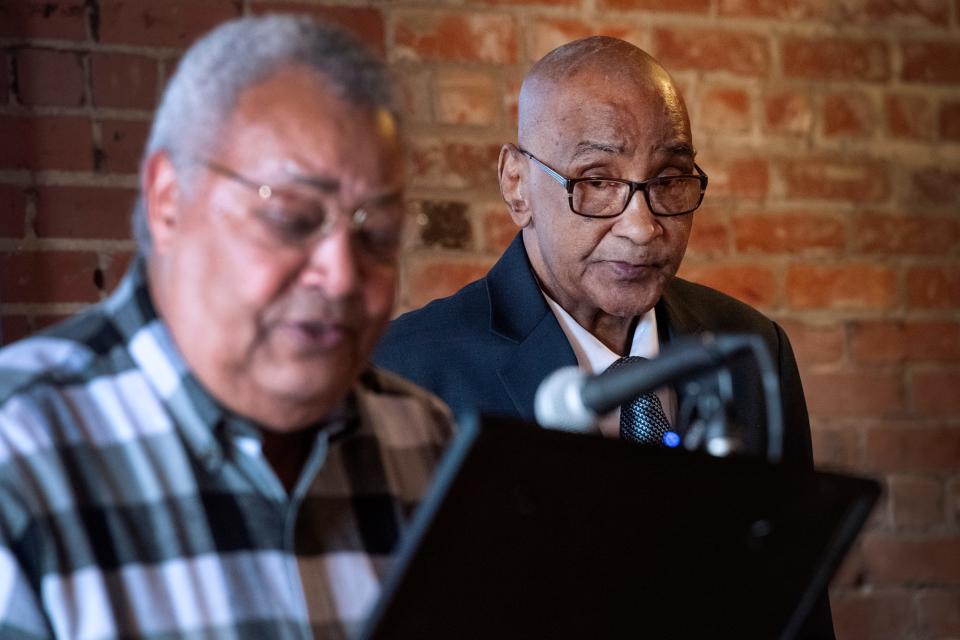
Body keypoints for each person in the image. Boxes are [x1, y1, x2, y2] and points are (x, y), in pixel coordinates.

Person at [0, 15, 452, 640]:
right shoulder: (20, 453)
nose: (343, 276)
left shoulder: (423, 441)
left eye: (376, 235)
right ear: (167, 200)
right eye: (293, 218)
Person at [374, 36, 835, 637]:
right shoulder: (404, 371)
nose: (642, 228)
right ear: (516, 184)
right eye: (596, 180)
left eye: (669, 179)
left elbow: (794, 611)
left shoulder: (748, 349)